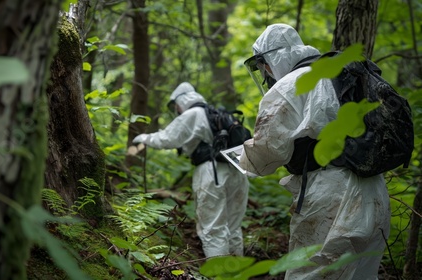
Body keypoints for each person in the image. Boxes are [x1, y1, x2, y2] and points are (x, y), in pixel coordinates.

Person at [239, 24, 391, 279]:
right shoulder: (338, 75)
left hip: (330, 196)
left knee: (308, 274)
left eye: (263, 65)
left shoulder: (289, 86)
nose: (264, 73)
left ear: (270, 61)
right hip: (375, 192)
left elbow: (266, 153)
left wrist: (243, 160)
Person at [132, 82, 249, 258]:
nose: (177, 109)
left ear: (182, 100)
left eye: (177, 105)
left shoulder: (193, 114)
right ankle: (238, 273)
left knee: (213, 230)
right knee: (233, 227)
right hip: (236, 171)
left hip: (212, 172)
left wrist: (142, 138)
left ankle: (221, 275)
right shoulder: (217, 114)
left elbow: (167, 139)